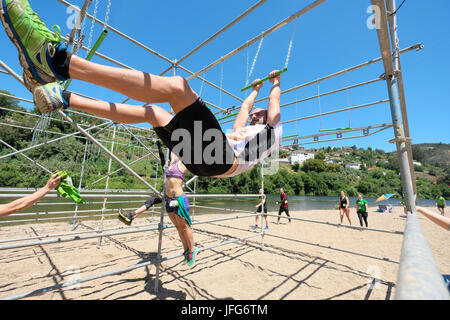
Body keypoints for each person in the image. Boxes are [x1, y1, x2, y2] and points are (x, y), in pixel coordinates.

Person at [1, 0, 282, 179]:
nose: (257, 116)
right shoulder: (246, 135)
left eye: (261, 115)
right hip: (206, 163)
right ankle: (63, 97)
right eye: (258, 115)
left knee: (177, 87)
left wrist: (274, 84)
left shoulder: (273, 133)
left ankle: (58, 63)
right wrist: (254, 91)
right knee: (153, 113)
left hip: (220, 161)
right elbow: (245, 110)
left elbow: (274, 108)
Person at [118, 152, 198, 266]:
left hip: (179, 199)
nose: (173, 154)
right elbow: (165, 152)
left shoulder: (183, 163)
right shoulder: (169, 165)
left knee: (185, 227)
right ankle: (185, 251)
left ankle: (192, 250)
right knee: (179, 228)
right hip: (169, 200)